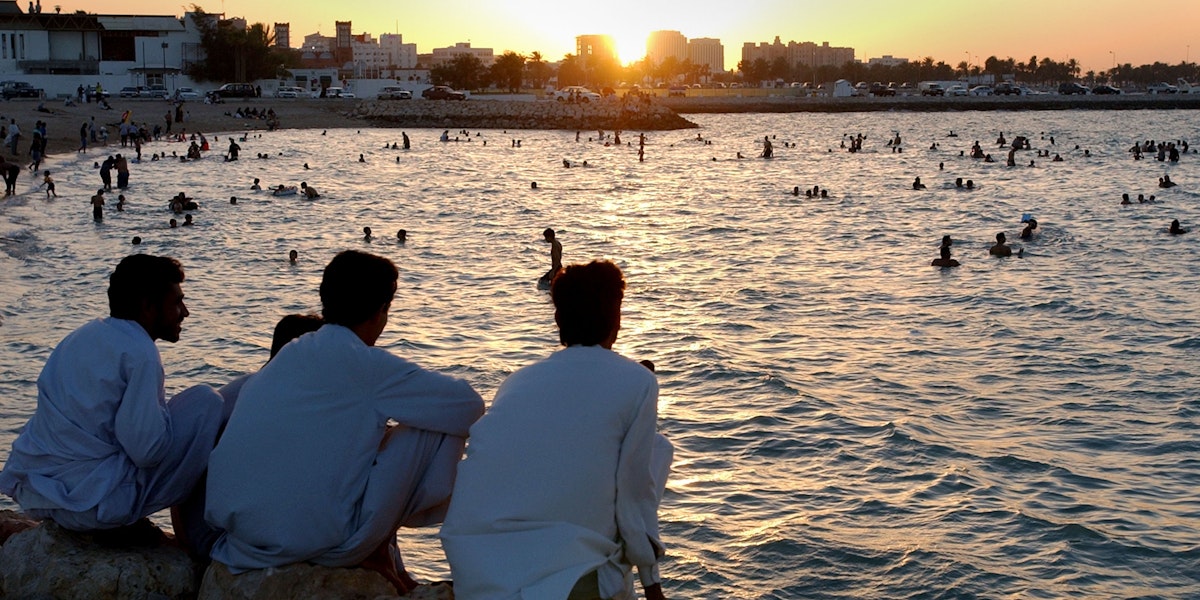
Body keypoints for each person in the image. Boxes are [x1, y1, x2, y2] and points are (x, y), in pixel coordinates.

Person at [205, 250, 484, 594]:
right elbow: (467, 406)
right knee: (434, 425)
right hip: (317, 544)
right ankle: (382, 542)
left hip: (241, 542)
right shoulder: (365, 364)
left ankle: (382, 542)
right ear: (383, 310)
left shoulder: (289, 355)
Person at [441, 260, 670, 600]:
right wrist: (651, 583)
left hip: (476, 570)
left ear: (558, 319)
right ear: (617, 318)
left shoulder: (517, 381)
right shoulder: (637, 380)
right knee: (658, 448)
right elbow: (634, 495)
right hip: (565, 579)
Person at [0, 255, 224, 553]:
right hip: (92, 504)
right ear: (147, 306)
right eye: (177, 303)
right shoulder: (140, 352)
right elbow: (147, 451)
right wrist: (166, 417)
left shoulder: (81, 336)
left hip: (41, 495)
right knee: (207, 403)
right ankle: (197, 536)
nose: (185, 313)